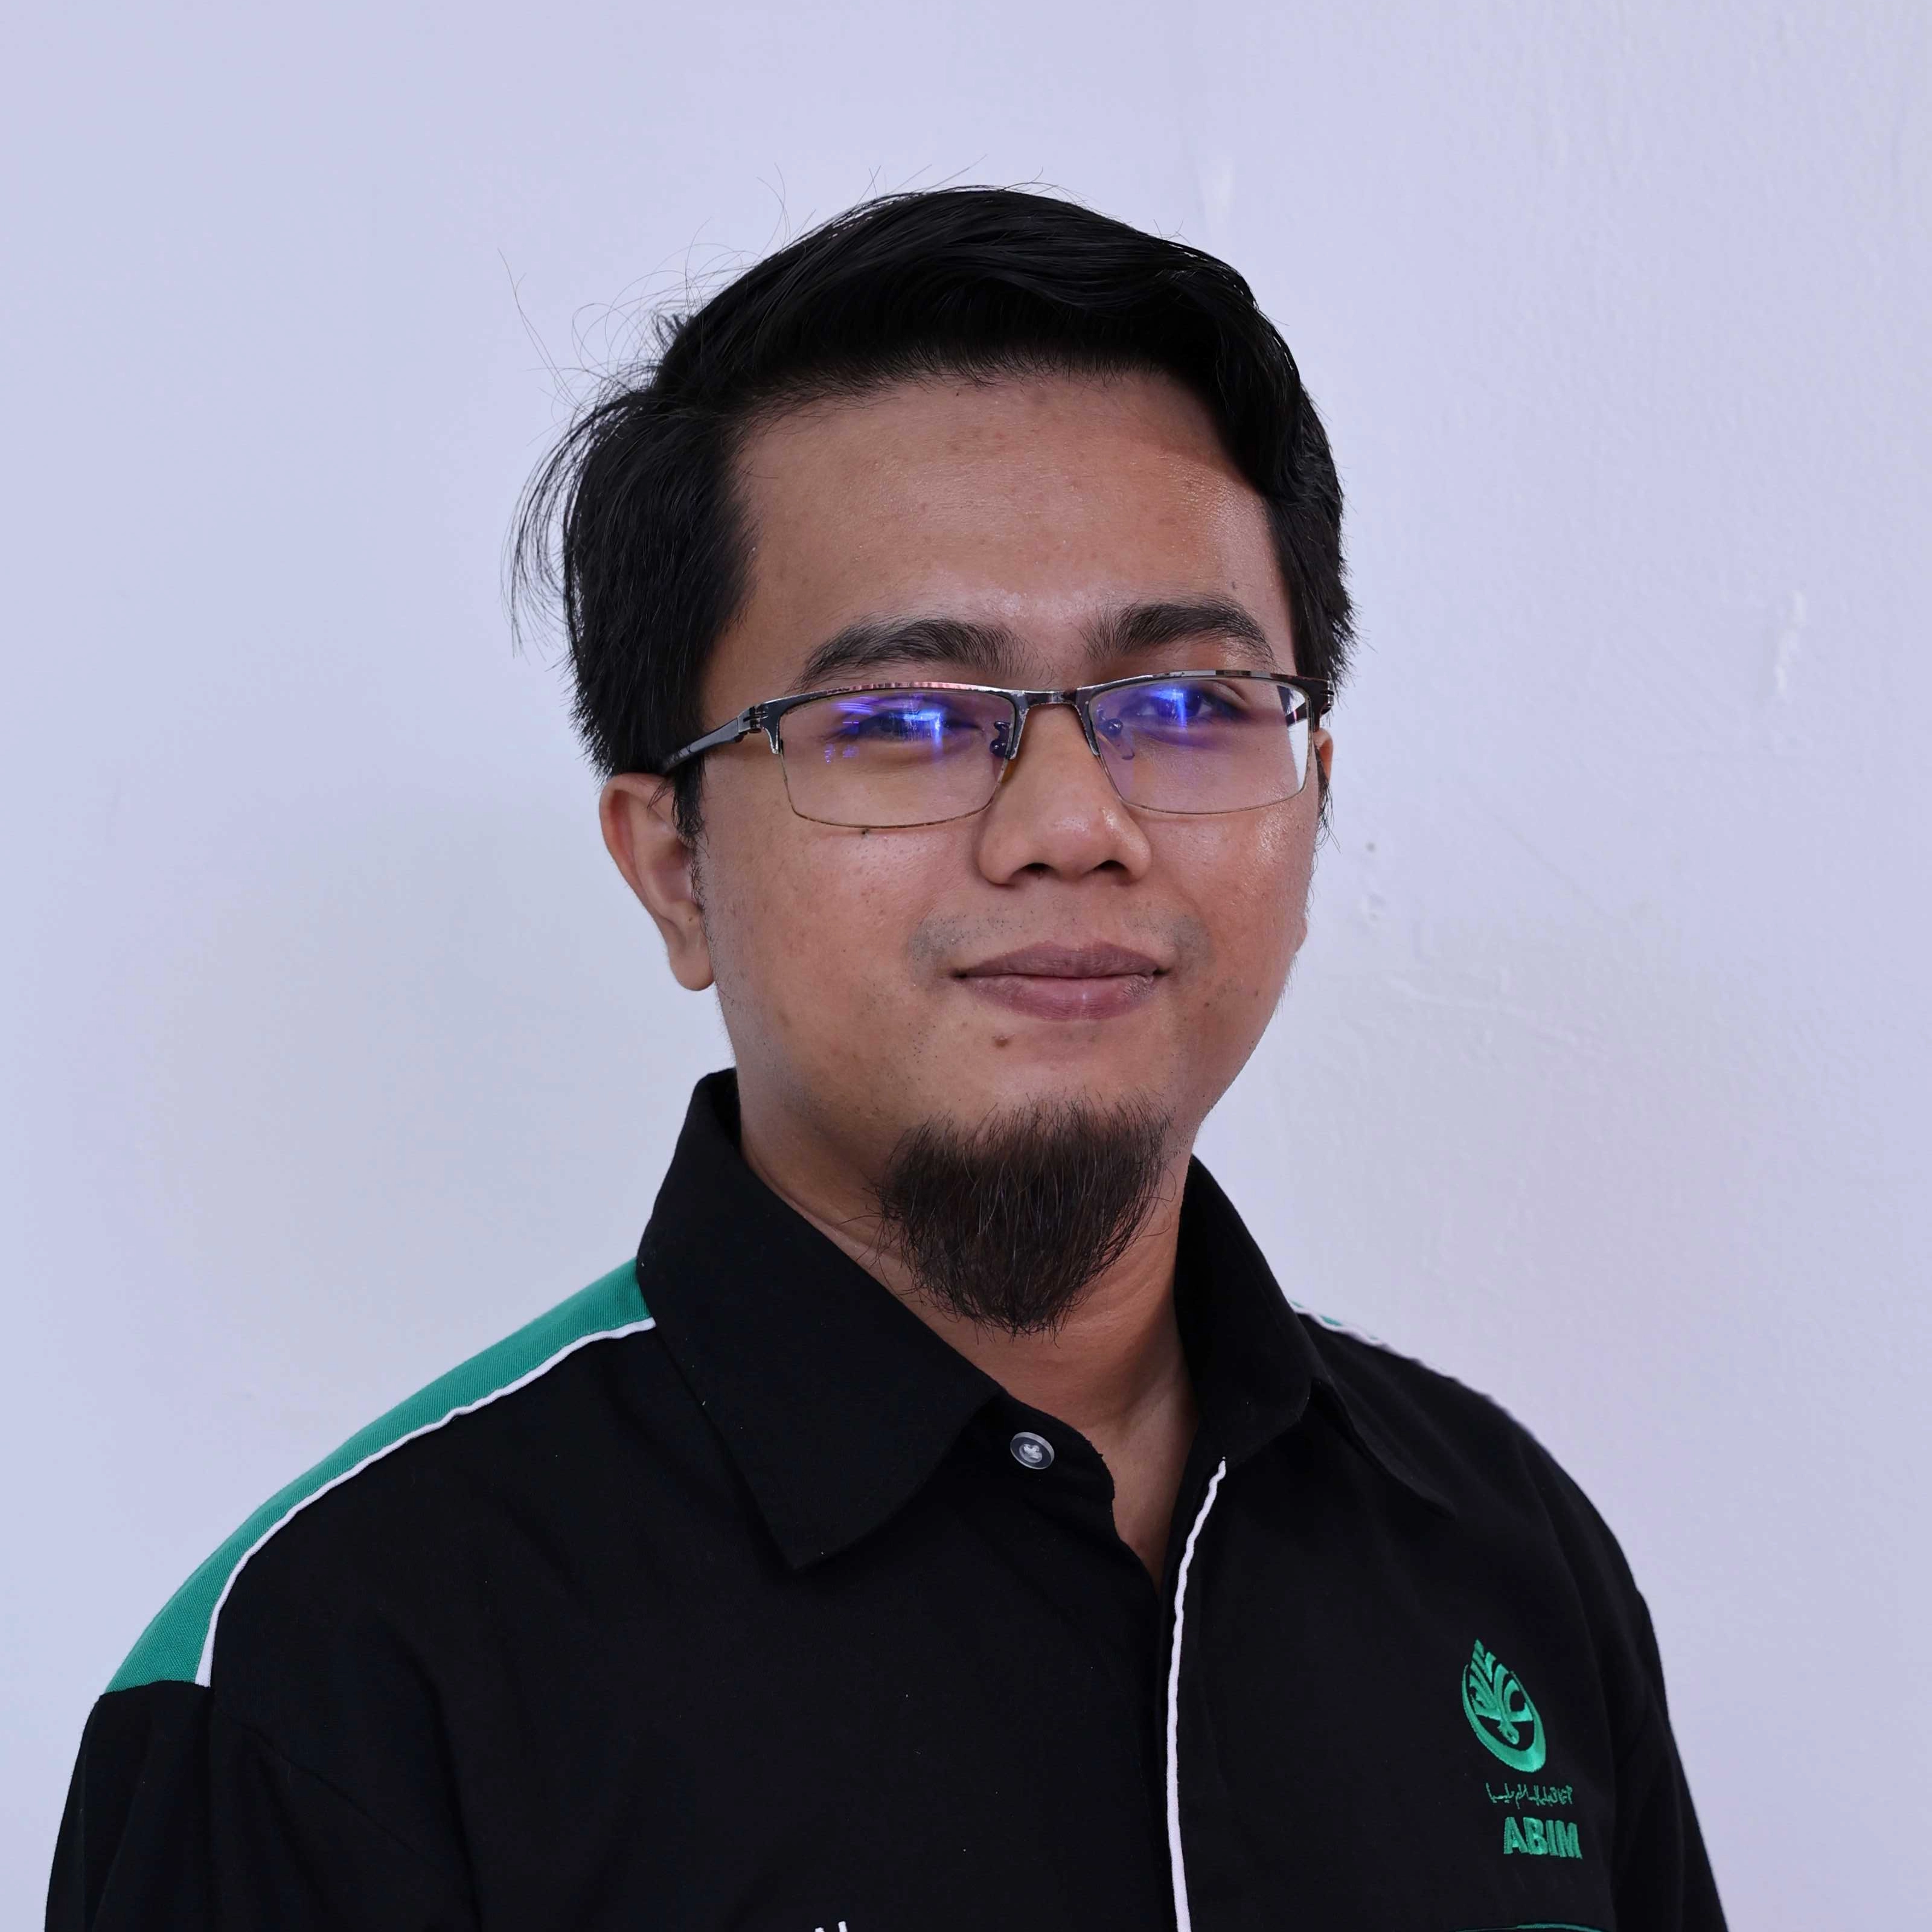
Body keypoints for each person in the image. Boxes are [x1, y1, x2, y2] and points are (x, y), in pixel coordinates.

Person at [48, 187, 1725, 1931]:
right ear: (674, 865)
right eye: (904, 720)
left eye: (1186, 706)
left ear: (1314, 795)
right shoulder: (332, 1682)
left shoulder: (1503, 1554)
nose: (1074, 825)